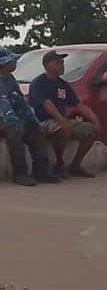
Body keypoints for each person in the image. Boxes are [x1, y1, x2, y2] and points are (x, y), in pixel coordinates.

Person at [28, 51, 100, 178]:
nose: (62, 65)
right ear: (47, 65)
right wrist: (62, 121)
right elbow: (47, 104)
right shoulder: (38, 83)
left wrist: (95, 120)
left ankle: (75, 165)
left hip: (61, 119)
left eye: (62, 62)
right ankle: (59, 163)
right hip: (43, 121)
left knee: (92, 130)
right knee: (62, 129)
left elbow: (79, 105)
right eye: (58, 62)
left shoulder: (62, 84)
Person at [0, 47, 54, 186]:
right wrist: (14, 122)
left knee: (35, 130)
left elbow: (22, 103)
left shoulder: (10, 79)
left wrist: (34, 121)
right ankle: (20, 173)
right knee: (15, 132)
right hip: (4, 119)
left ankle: (41, 171)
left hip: (12, 118)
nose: (15, 63)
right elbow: (3, 105)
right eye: (12, 60)